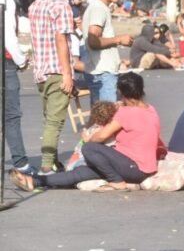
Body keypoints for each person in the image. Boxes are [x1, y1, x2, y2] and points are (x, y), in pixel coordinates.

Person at [10, 73, 163, 192]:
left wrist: (87, 138)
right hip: (141, 168)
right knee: (80, 173)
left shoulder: (126, 112)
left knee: (89, 148)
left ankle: (117, 181)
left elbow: (101, 136)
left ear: (121, 92)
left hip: (133, 167)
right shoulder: (151, 109)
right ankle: (35, 181)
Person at [28, 0, 80, 174]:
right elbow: (60, 40)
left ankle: (54, 162)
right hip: (58, 70)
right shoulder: (62, 5)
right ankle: (47, 166)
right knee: (54, 122)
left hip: (41, 71)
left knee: (49, 118)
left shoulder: (37, 4)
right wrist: (67, 74)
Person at [1, 0, 34, 175]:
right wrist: (22, 60)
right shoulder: (6, 0)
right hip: (5, 64)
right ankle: (21, 163)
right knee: (11, 115)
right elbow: (9, 38)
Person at [84, 0, 134, 103]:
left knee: (101, 114)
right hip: (103, 73)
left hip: (102, 71)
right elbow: (93, 41)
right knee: (108, 114)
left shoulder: (101, 7)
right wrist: (119, 40)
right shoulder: (99, 8)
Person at [65, 101, 118, 171]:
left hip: (88, 155)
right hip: (106, 155)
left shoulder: (95, 130)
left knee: (77, 156)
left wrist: (85, 139)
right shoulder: (111, 128)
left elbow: (85, 143)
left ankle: (70, 167)